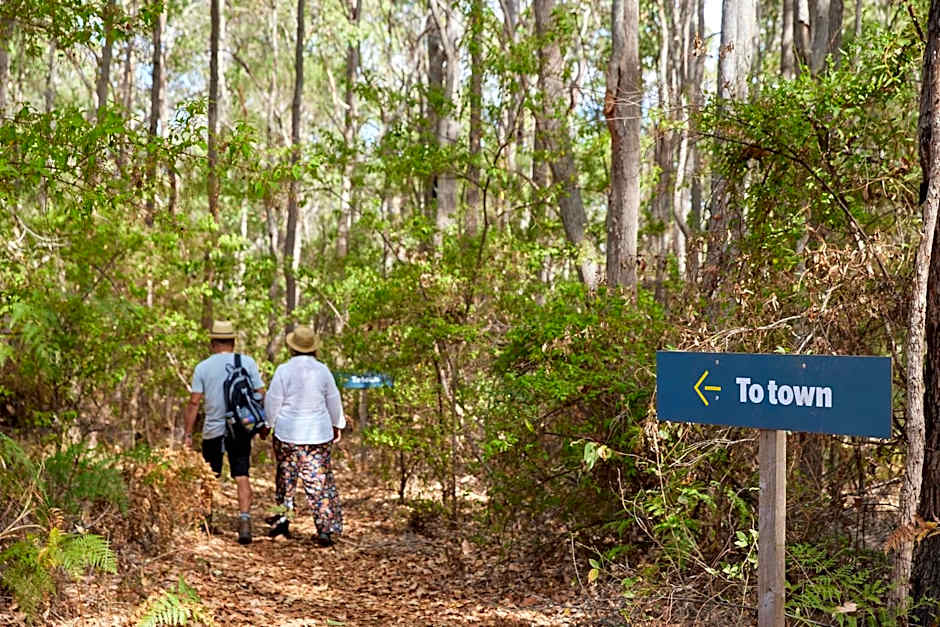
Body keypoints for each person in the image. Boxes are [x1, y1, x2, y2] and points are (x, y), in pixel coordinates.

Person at [183, 320, 266, 545]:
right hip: (239, 428)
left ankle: (205, 521)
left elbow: (194, 402)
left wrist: (188, 434)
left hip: (214, 429)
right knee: (242, 474)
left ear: (212, 343)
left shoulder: (203, 367)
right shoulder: (246, 362)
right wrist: (261, 424)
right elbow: (260, 393)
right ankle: (245, 521)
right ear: (233, 341)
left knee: (210, 475)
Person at [264, 325, 345, 547]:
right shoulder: (323, 370)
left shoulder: (284, 370)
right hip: (318, 435)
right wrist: (337, 424)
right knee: (319, 481)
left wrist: (267, 424)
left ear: (292, 348)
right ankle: (325, 529)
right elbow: (333, 400)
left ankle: (282, 523)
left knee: (286, 478)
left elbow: (273, 401)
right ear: (313, 348)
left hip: (288, 434)